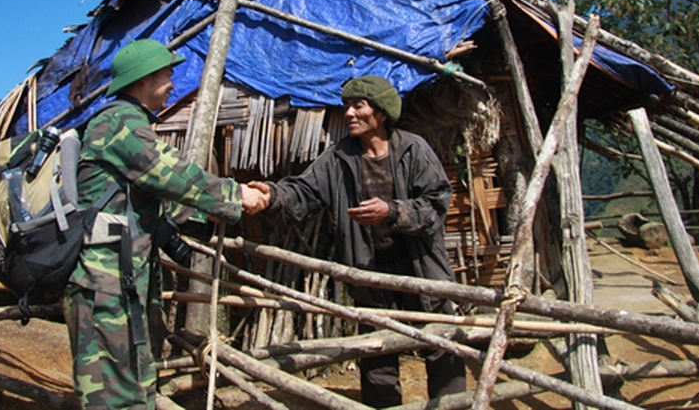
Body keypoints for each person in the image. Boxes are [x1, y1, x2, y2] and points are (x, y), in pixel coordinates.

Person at [62, 38, 270, 409]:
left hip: (120, 278)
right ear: (144, 79)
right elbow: (172, 176)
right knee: (114, 395)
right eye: (167, 73)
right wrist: (237, 196)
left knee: (135, 384)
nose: (173, 81)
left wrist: (207, 213)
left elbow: (158, 197)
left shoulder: (126, 122)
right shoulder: (119, 122)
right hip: (105, 282)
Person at [249, 75, 465, 408]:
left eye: (358, 105)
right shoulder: (338, 158)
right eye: (347, 105)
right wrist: (273, 196)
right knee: (377, 352)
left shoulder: (413, 150)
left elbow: (437, 204)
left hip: (422, 271)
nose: (349, 113)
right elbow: (304, 192)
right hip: (371, 272)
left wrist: (392, 212)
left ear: (381, 113)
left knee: (441, 346)